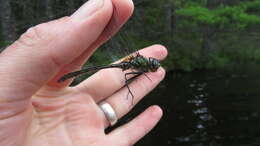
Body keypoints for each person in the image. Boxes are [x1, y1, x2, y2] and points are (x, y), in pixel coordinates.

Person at [0, 0, 167, 145]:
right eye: (152, 65)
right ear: (147, 63)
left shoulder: (141, 63)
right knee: (125, 75)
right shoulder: (140, 63)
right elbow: (129, 74)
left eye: (152, 66)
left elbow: (135, 72)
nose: (152, 66)